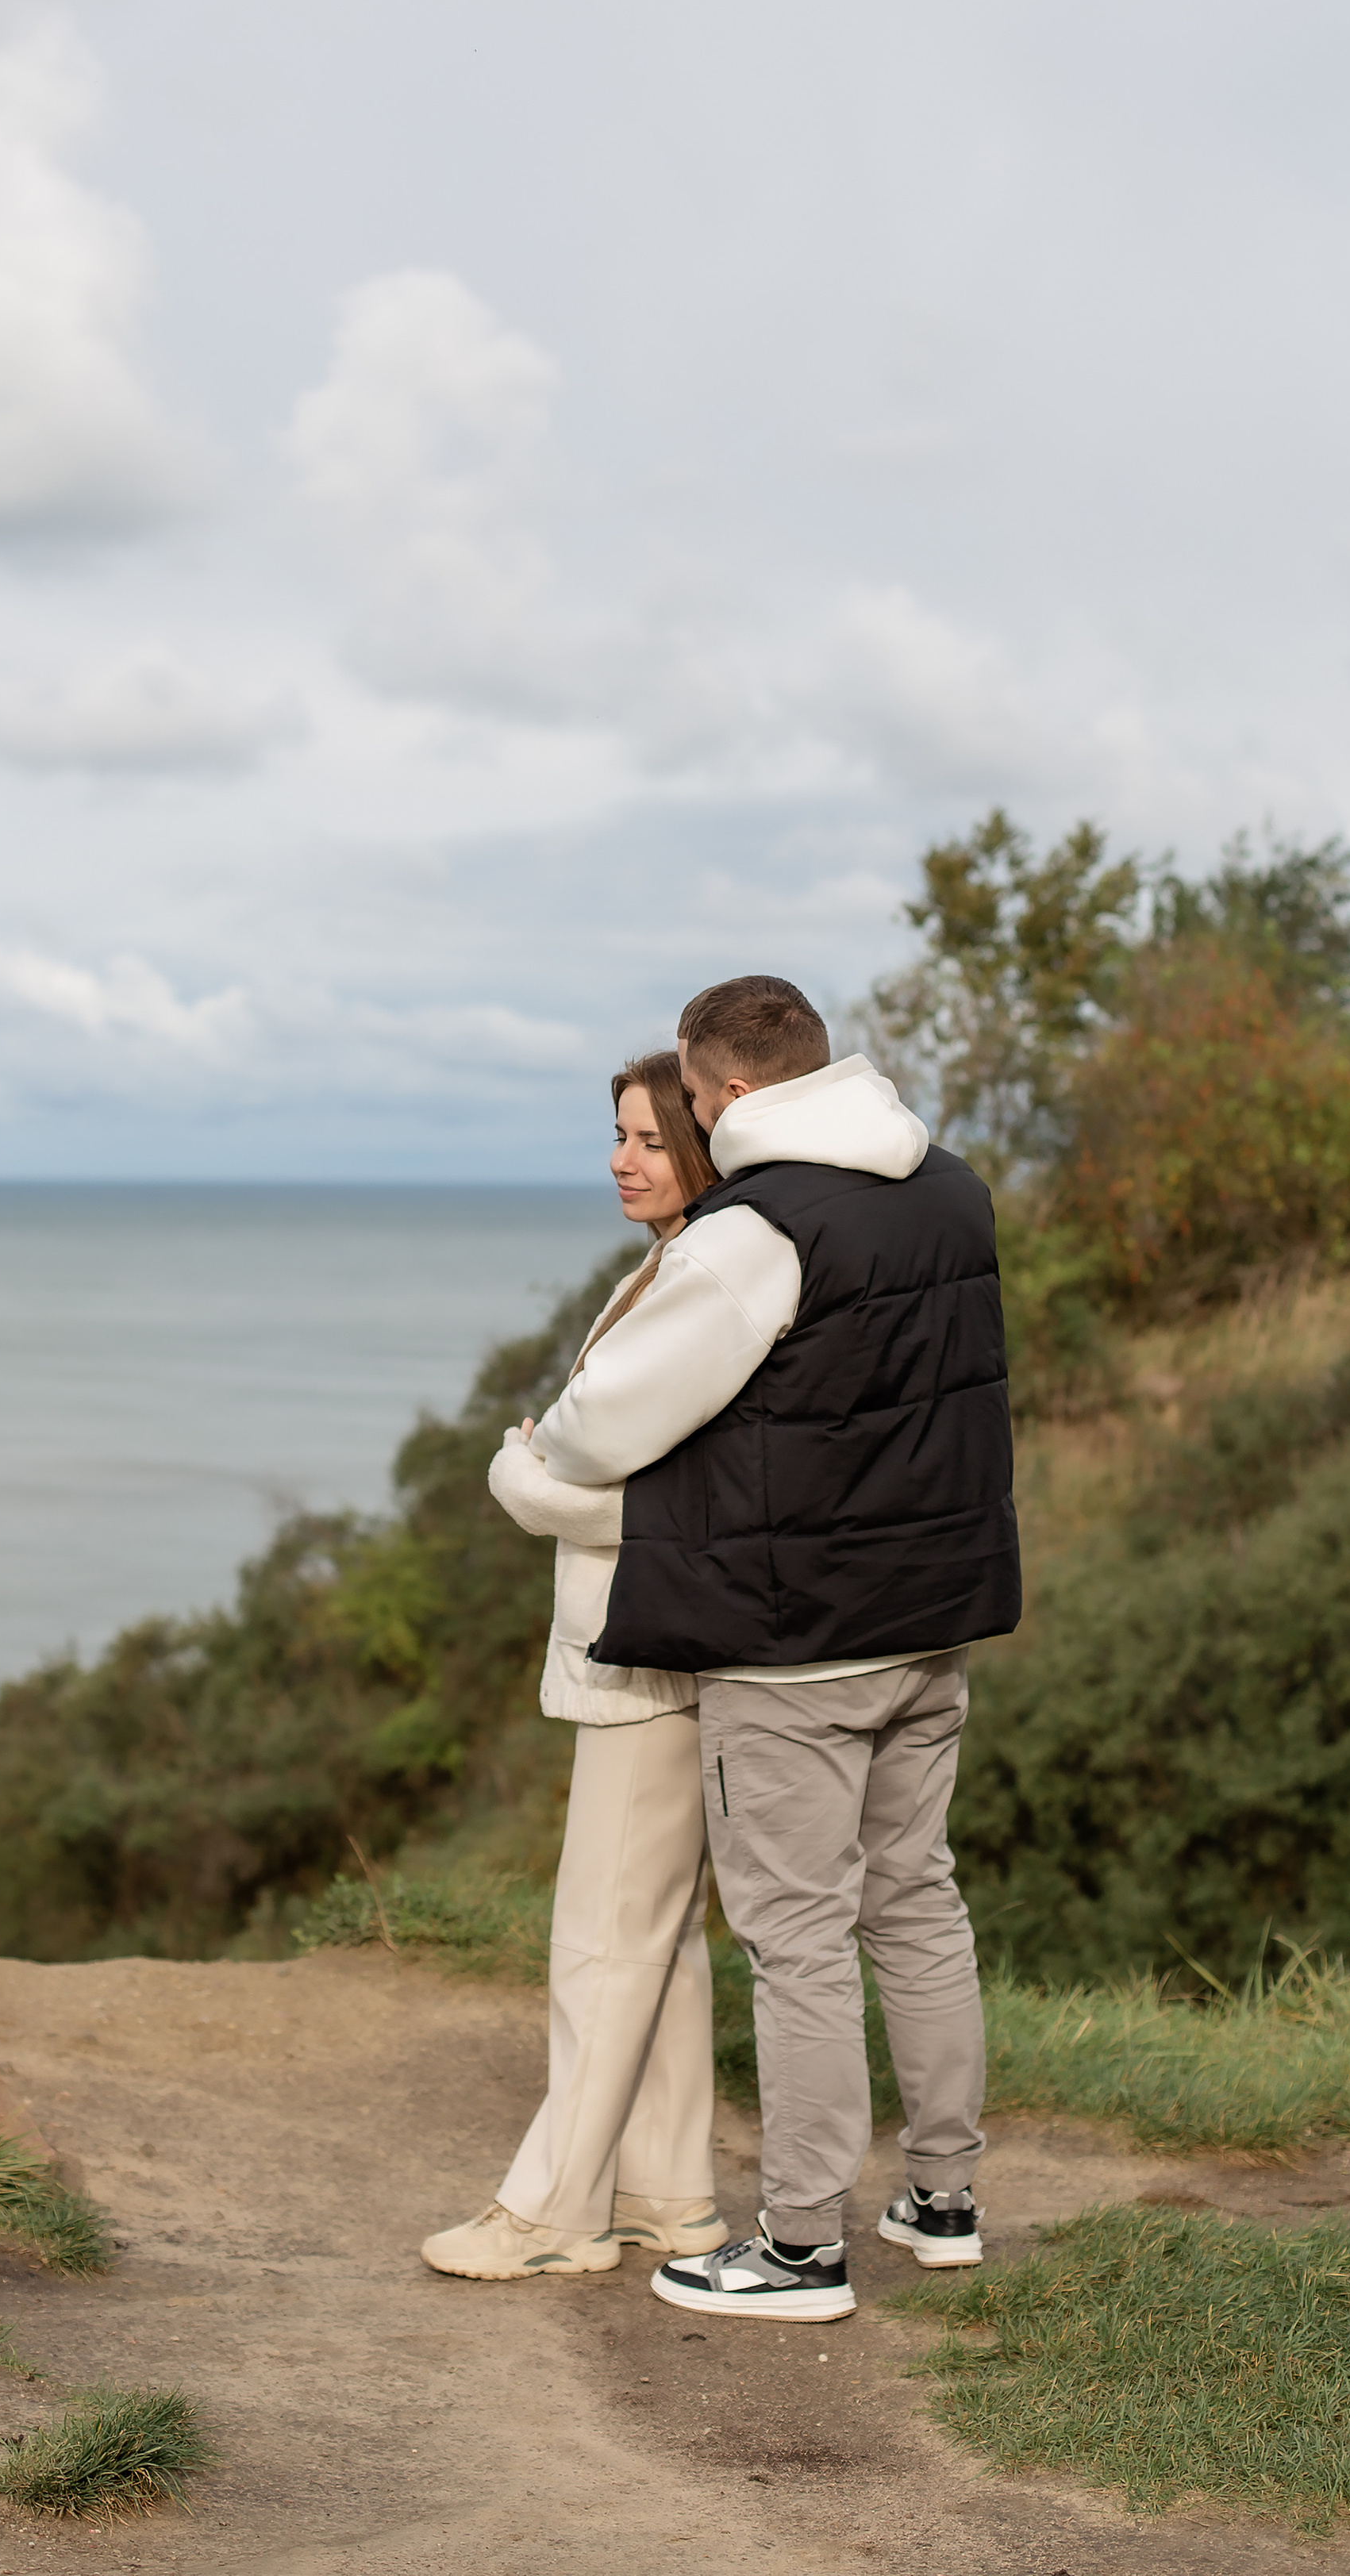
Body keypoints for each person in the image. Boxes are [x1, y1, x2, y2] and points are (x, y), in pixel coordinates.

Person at [527, 975, 1020, 2324]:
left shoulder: (758, 1229)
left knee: (796, 1940)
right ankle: (944, 2198)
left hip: (798, 1639)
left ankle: (800, 2248)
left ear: (730, 1089)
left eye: (685, 1099)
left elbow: (606, 1421)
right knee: (916, 1901)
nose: (682, 1120)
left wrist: (543, 1454)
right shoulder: (953, 1189)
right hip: (934, 1615)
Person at [420, 1052, 732, 2282]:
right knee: (658, 1931)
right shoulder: (668, 1267)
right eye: (617, 1137)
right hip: (651, 1640)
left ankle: (554, 2212)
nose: (621, 1160)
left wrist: (526, 1484)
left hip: (654, 1644)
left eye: (651, 1140)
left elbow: (684, 1500)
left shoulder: (704, 1279)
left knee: (603, 1934)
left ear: (703, 1148)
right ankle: (669, 2194)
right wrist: (549, 1477)